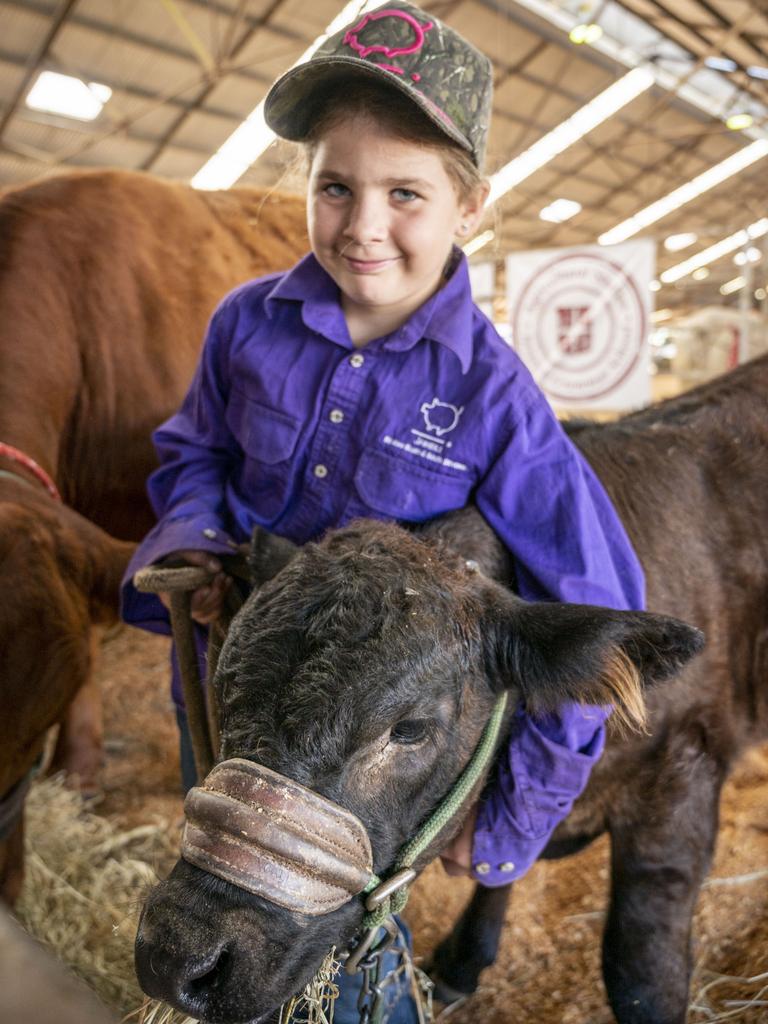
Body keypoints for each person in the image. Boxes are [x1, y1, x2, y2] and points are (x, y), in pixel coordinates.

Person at [121, 3, 644, 1019]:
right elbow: (198, 452)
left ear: (471, 206)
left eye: (405, 193)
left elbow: (599, 611)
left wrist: (503, 824)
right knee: (217, 891)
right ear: (308, 188)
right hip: (253, 688)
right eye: (336, 187)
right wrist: (193, 534)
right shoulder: (245, 324)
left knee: (344, 946)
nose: (363, 226)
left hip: (366, 756)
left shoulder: (494, 394)